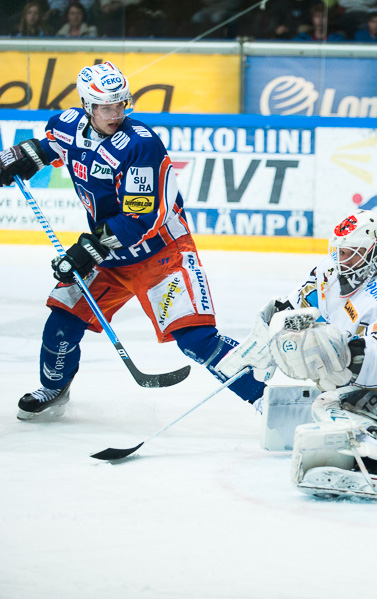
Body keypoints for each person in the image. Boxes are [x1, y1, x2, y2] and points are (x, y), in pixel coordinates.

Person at [0, 61, 267, 420]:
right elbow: (55, 146)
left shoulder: (140, 144)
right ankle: (54, 387)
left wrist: (86, 250)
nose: (115, 113)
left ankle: (265, 395)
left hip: (161, 255)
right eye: (106, 107)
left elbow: (140, 219)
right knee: (63, 319)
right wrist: (26, 154)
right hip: (109, 257)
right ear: (87, 106)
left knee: (196, 339)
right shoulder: (66, 125)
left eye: (120, 104)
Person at [217, 210, 377, 498]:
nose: (343, 261)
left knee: (332, 407)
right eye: (340, 252)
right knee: (330, 395)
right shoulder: (333, 268)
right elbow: (297, 303)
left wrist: (343, 357)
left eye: (353, 254)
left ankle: (373, 468)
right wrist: (268, 333)